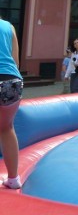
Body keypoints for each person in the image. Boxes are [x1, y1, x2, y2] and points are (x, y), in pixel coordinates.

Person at [0, 16, 24, 189]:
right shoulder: (9, 27)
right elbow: (15, 61)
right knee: (7, 128)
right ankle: (13, 179)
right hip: (12, 81)